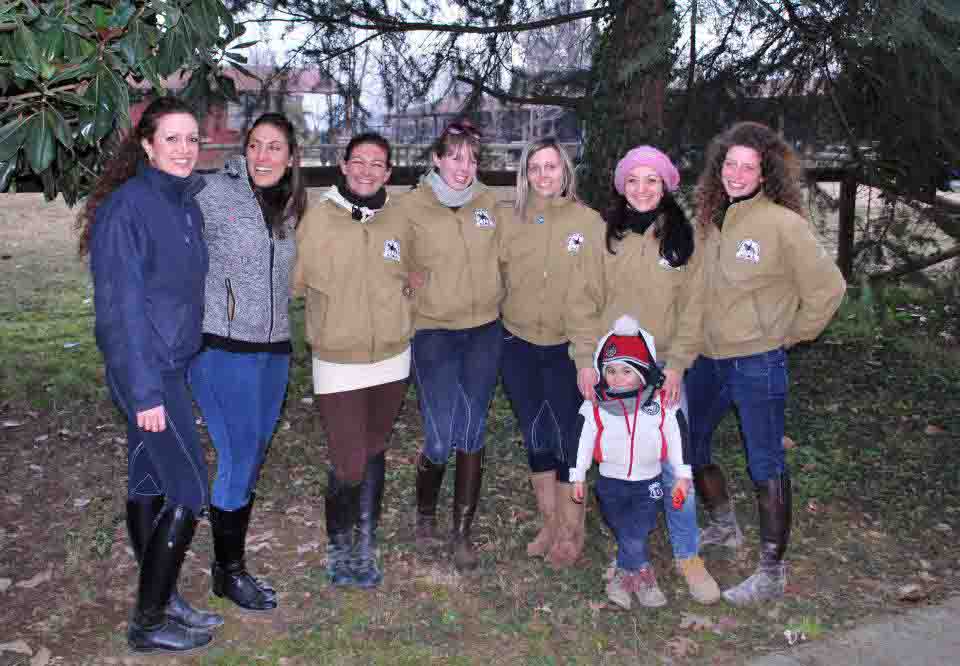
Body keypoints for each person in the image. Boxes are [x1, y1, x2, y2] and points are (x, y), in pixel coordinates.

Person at [77, 97, 219, 654]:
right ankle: (148, 619)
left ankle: (164, 599)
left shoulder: (183, 203)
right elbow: (120, 311)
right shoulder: (127, 209)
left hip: (170, 365)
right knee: (188, 487)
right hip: (148, 373)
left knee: (149, 483)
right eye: (172, 139)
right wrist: (144, 392)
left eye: (192, 139)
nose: (184, 150)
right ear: (146, 144)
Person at [688, 121, 846, 605]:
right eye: (730, 164)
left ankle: (771, 571)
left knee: (765, 461)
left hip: (757, 361)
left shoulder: (783, 225)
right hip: (706, 359)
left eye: (748, 167)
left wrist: (789, 336)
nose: (736, 174)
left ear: (766, 173)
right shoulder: (708, 220)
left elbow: (828, 289)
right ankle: (722, 524)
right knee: (688, 440)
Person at [567, 146, 720, 603]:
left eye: (652, 179)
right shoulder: (604, 237)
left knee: (677, 466)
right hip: (612, 371)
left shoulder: (681, 240)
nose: (642, 188)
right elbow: (581, 301)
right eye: (633, 179)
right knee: (619, 462)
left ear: (667, 185)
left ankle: (687, 553)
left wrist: (676, 367)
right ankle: (629, 553)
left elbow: (693, 310)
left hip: (664, 372)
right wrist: (582, 361)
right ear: (621, 186)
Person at [189, 113, 306, 611]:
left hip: (274, 350)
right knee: (238, 457)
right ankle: (229, 572)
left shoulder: (293, 208)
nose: (263, 156)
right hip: (222, 348)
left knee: (253, 455)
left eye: (274, 147)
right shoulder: (213, 194)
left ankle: (227, 565)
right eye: (256, 145)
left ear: (291, 157)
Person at [292, 132, 412, 588]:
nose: (366, 170)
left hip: (392, 356)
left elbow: (415, 274)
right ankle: (340, 543)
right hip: (338, 358)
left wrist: (406, 303)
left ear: (387, 172)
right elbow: (293, 282)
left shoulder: (399, 220)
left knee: (376, 447)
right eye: (358, 161)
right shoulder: (317, 220)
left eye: (377, 163)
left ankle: (365, 540)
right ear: (343, 165)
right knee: (348, 461)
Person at [385, 119, 503, 572]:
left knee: (472, 430)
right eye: (454, 155)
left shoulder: (489, 202)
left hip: (484, 331)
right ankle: (425, 515)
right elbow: (388, 256)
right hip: (434, 332)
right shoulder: (411, 206)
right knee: (440, 435)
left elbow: (508, 256)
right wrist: (408, 284)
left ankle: (461, 534)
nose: (463, 166)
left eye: (471, 157)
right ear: (436, 158)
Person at [498, 138, 605, 566]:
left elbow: (593, 297)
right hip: (518, 344)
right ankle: (549, 521)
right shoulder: (510, 220)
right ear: (525, 174)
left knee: (570, 439)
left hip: (565, 348)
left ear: (566, 172)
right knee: (536, 433)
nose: (544, 175)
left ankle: (571, 529)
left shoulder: (590, 222)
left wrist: (585, 355)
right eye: (535, 168)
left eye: (552, 167)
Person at [570, 316, 692, 610]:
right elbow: (582, 439)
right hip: (610, 481)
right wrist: (578, 475)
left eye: (627, 371)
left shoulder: (660, 404)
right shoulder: (596, 405)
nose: (617, 377)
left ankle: (634, 575)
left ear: (642, 373)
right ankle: (634, 568)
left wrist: (682, 475)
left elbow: (677, 437)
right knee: (622, 525)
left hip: (648, 481)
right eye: (610, 370)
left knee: (638, 529)